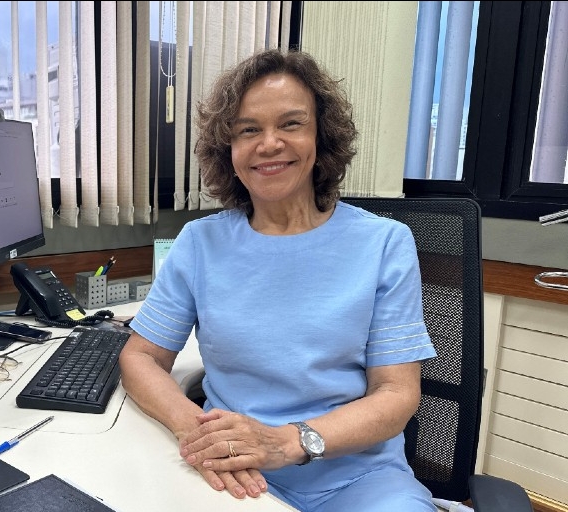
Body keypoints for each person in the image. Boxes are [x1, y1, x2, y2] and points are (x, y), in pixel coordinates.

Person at [118, 48, 438, 512]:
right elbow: (141, 357)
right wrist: (193, 429)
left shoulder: (384, 243)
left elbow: (397, 393)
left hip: (357, 479)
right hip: (232, 473)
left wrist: (289, 443)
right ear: (229, 150)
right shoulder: (199, 242)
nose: (269, 144)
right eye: (249, 129)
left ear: (321, 137)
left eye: (290, 124)